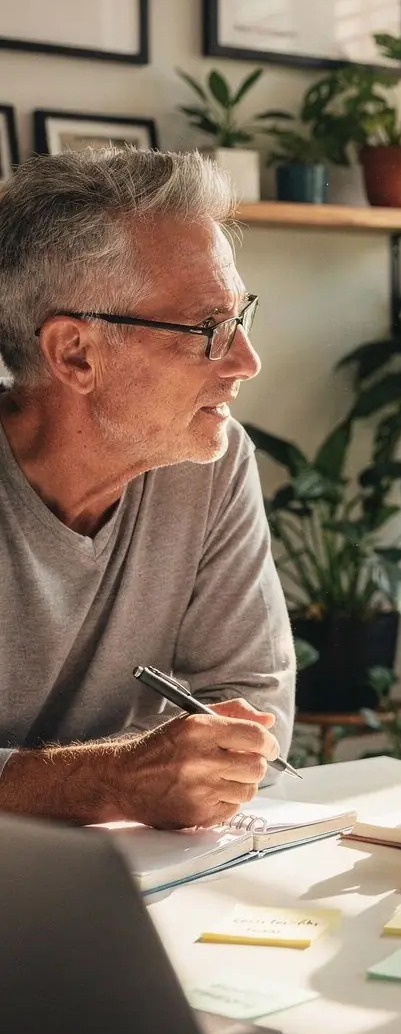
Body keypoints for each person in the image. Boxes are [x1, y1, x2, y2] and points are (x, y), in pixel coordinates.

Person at [0, 148, 294, 830]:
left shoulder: (211, 465)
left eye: (240, 315)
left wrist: (197, 765)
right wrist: (111, 780)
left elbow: (254, 707)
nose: (247, 361)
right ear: (76, 353)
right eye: (209, 329)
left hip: (132, 875)